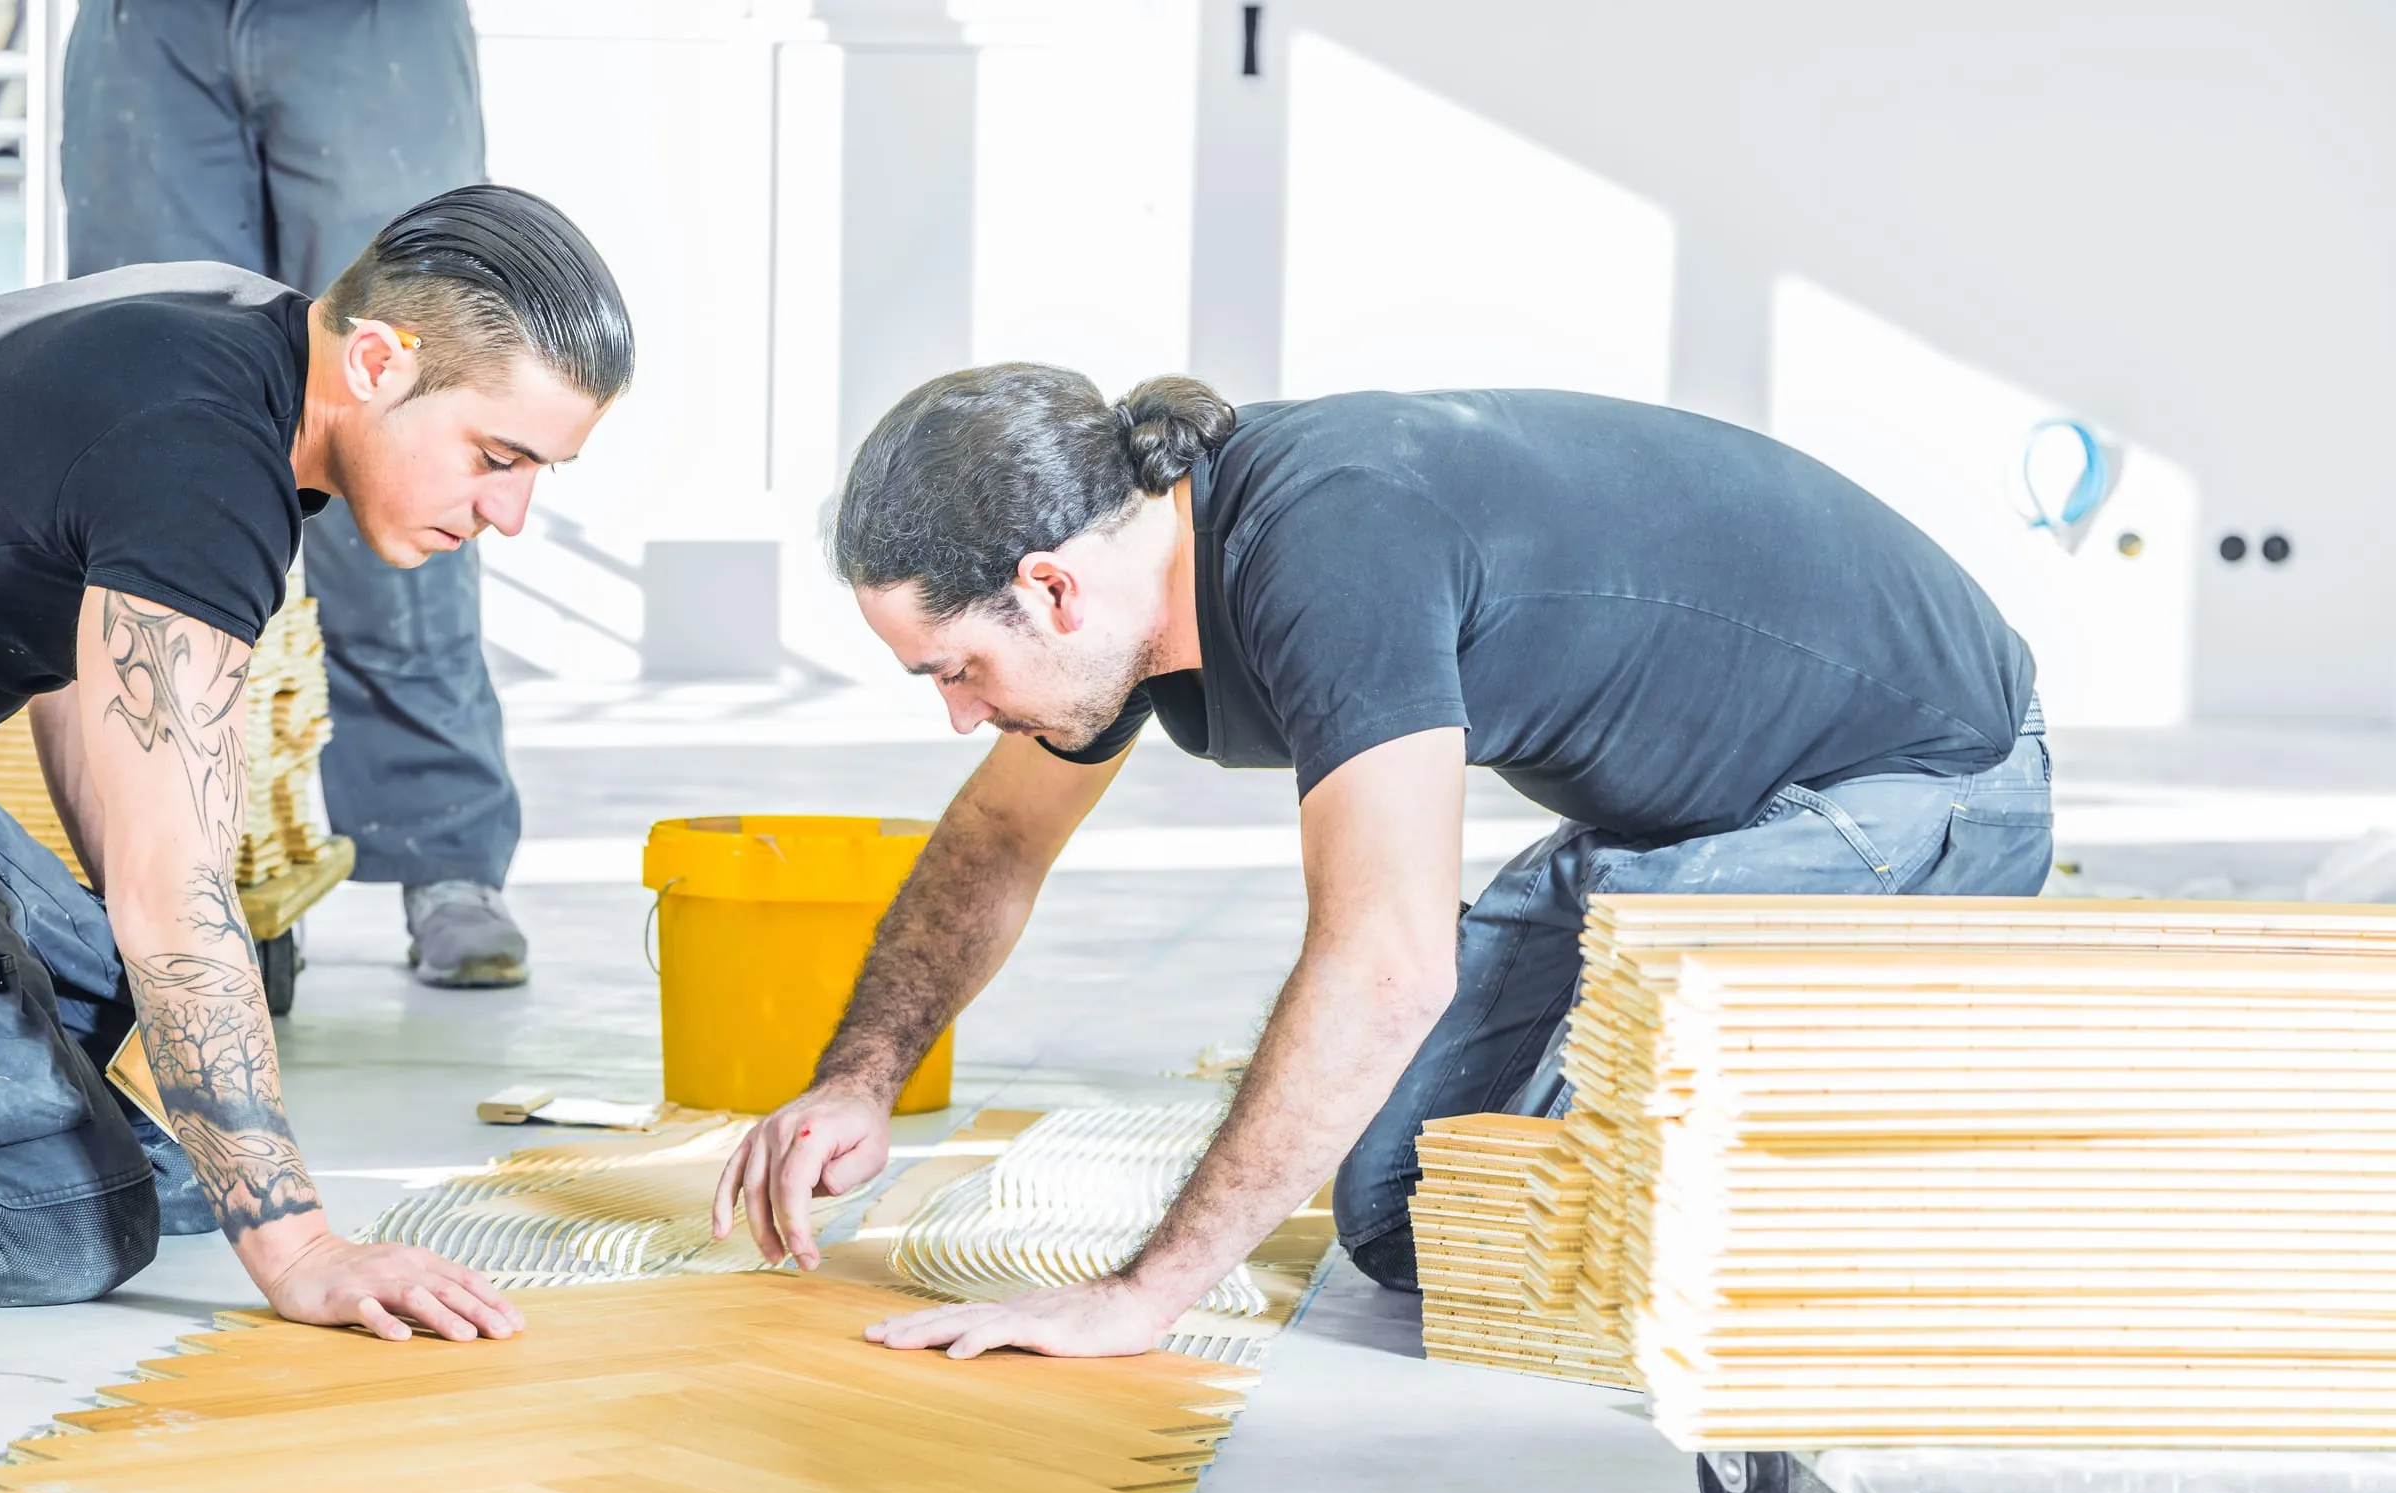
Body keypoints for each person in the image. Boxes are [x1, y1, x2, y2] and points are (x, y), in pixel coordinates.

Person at [715, 368, 2053, 1358]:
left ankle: (1955, 1170)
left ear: (1051, 587)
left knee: (1634, 1101)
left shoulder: (1328, 548)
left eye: (958, 670)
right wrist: (858, 1078)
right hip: (1689, 828)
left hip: (1928, 780)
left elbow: (1387, 957)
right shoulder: (1131, 592)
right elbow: (998, 838)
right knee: (1410, 1211)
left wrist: (1141, 1293)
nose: (959, 713)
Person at [0, 185, 631, 1334]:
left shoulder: (243, 330)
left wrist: (119, 938)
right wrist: (303, 1251)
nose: (507, 512)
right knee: (53, 1223)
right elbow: (176, 879)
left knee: (158, 1129)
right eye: (495, 456)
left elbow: (81, 676)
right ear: (375, 361)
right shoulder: (206, 459)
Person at [62, 0, 530, 988]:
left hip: (369, 30)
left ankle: (442, 845)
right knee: (162, 413)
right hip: (151, 28)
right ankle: (211, 872)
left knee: (407, 393)